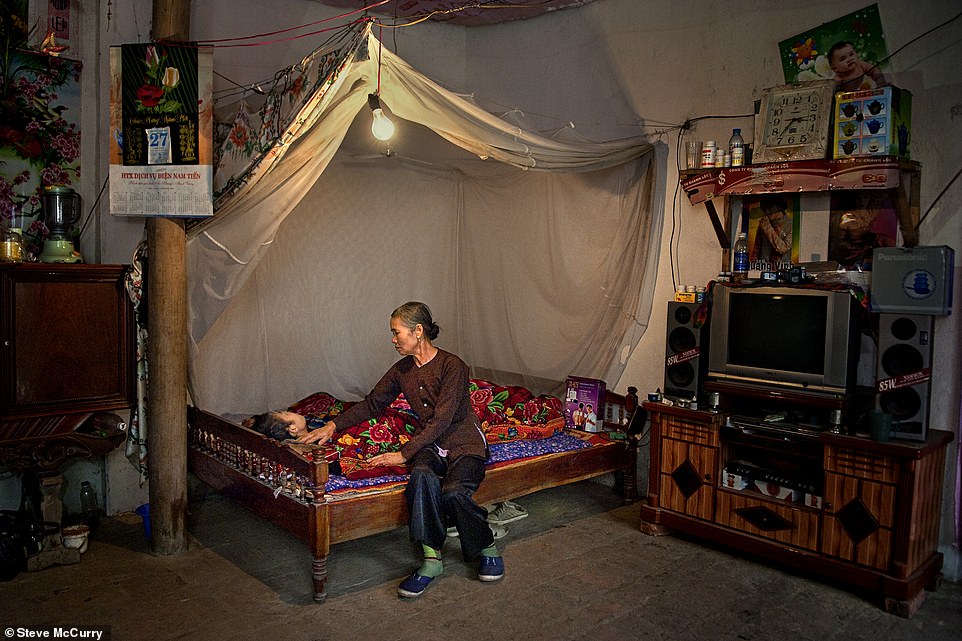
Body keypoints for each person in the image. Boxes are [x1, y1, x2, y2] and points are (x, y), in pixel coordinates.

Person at [296, 301, 502, 598]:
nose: (393, 340)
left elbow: (443, 418)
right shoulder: (402, 370)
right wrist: (333, 426)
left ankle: (487, 545)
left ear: (418, 331)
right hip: (430, 444)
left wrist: (403, 454)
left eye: (397, 333)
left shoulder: (452, 365)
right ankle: (431, 560)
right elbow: (373, 403)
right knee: (421, 477)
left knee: (455, 492)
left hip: (463, 442)